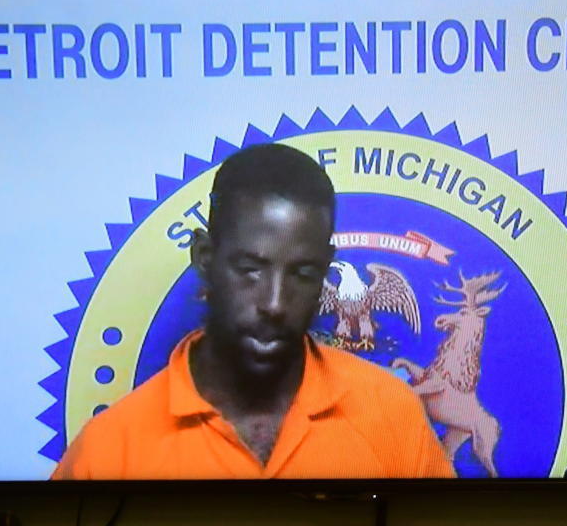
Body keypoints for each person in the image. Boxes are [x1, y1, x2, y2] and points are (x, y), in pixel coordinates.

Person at [52, 143, 455, 480]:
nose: (275, 304)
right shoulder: (108, 451)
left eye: (302, 273)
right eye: (250, 270)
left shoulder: (390, 414)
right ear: (205, 257)